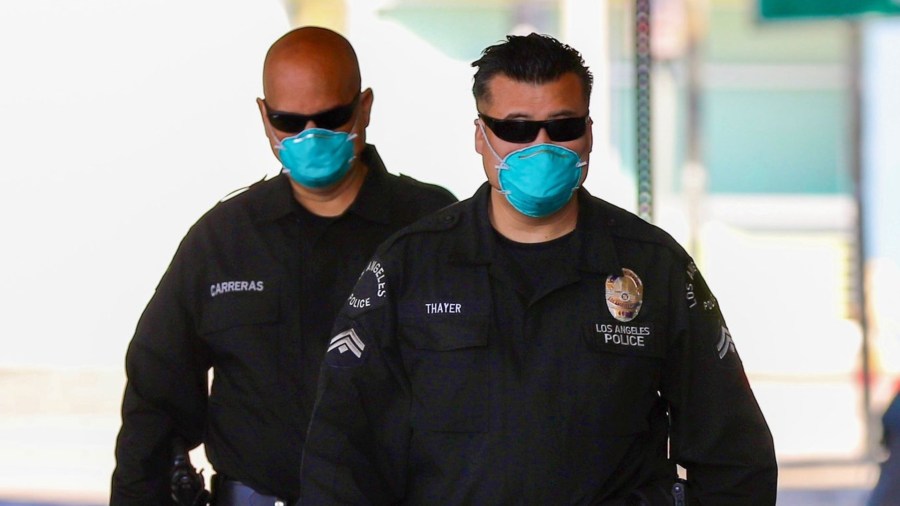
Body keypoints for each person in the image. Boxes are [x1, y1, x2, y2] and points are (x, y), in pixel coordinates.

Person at [300, 33, 777, 505]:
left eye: (562, 126)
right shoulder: (409, 267)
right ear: (480, 136)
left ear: (589, 131)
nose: (542, 146)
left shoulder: (654, 267)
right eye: (518, 129)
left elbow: (735, 458)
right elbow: (341, 451)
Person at [110, 26, 456, 505]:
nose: (310, 137)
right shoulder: (224, 239)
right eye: (289, 122)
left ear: (365, 107)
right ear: (263, 116)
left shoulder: (431, 229)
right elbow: (155, 397)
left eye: (331, 118)